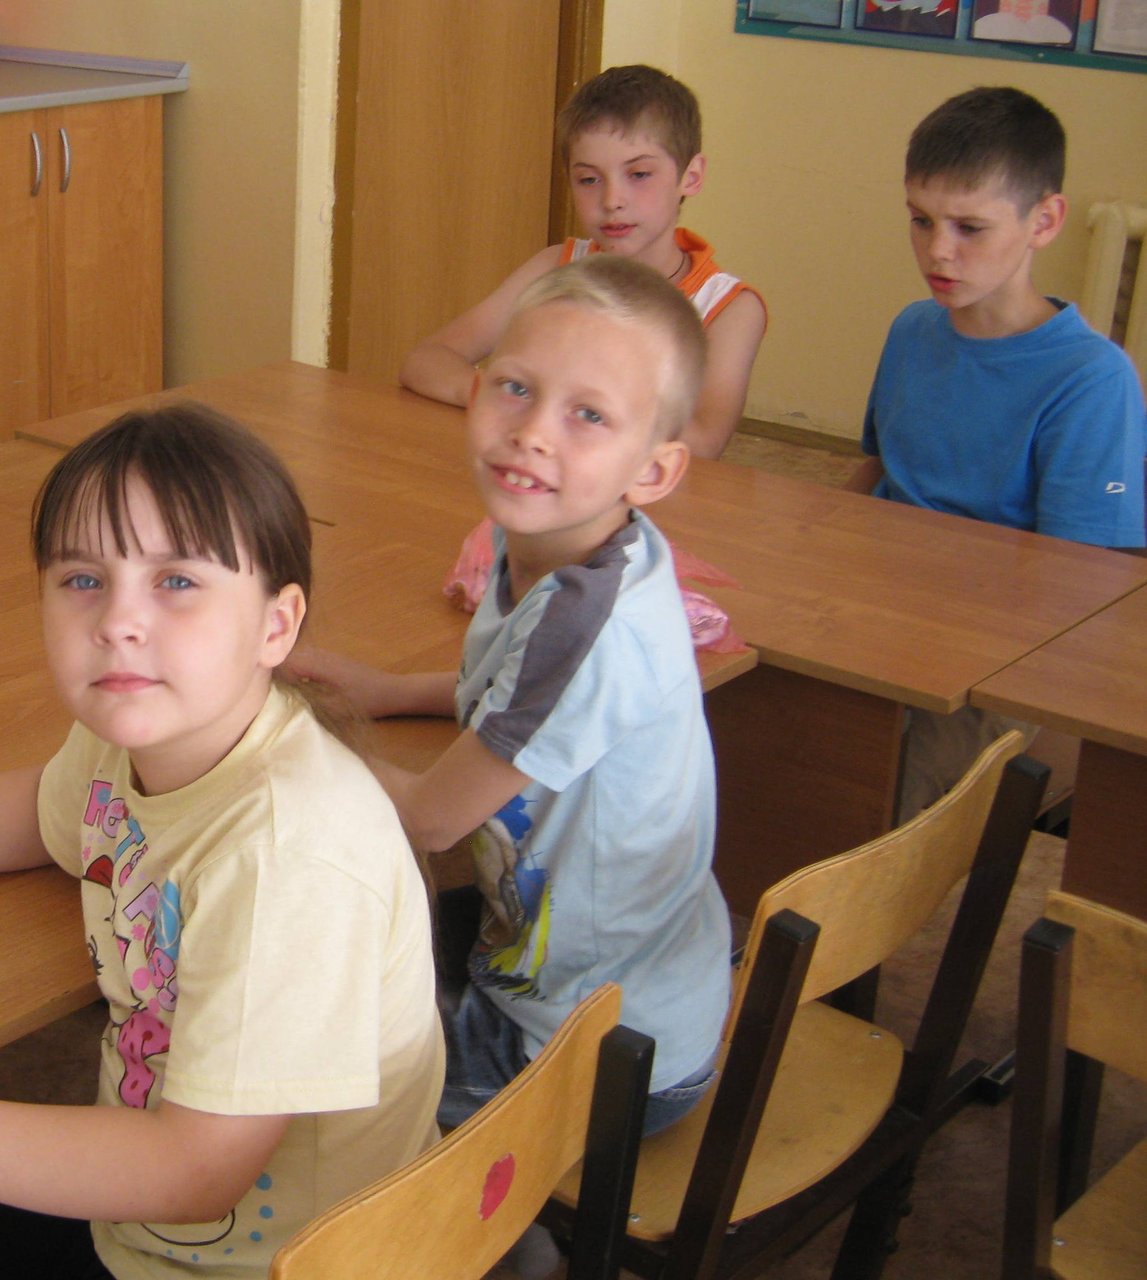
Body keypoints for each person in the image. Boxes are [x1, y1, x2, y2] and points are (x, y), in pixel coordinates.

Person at [0, 405, 443, 1279]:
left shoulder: (288, 860)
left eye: (176, 581)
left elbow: (194, 1172)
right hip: (152, 1217)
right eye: (83, 578)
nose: (118, 621)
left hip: (252, 1262)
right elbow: (34, 817)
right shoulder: (131, 732)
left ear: (276, 627)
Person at [298, 256, 732, 1149]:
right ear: (476, 386)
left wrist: (274, 732)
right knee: (321, 954)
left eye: (588, 415)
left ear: (653, 469)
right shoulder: (566, 536)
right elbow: (519, 704)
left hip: (598, 1051)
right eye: (515, 387)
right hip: (591, 975)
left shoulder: (586, 624)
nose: (532, 432)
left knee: (291, 1077)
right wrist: (390, 691)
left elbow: (430, 820)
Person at [849, 86, 1147, 817]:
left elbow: (1078, 585)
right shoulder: (912, 329)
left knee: (876, 797)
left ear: (1044, 221)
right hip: (880, 606)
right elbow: (877, 472)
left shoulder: (1089, 378)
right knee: (765, 725)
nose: (937, 250)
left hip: (991, 652)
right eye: (921, 220)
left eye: (969, 227)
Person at [399, 64, 767, 460]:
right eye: (589, 179)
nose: (612, 200)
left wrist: (565, 412)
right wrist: (498, 397)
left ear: (691, 176)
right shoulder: (555, 267)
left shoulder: (729, 308)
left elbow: (703, 442)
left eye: (639, 174)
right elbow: (425, 361)